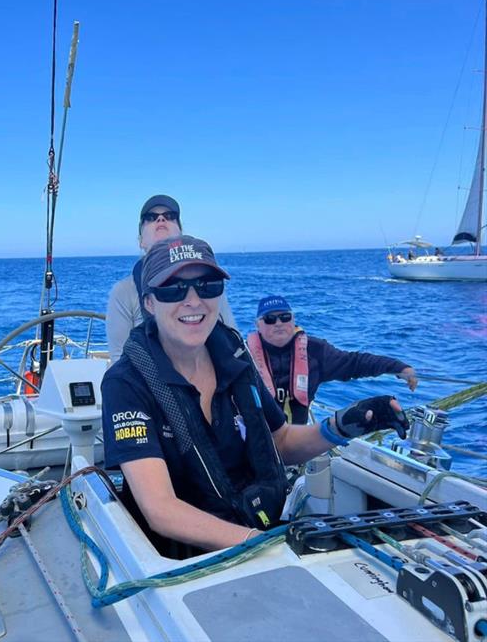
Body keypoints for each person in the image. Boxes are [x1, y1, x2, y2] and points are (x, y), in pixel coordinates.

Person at [101, 235, 409, 557]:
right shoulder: (126, 384)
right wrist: (265, 546)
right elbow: (160, 509)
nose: (193, 300)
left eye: (207, 285)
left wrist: (340, 427)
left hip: (264, 532)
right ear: (149, 302)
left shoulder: (233, 358)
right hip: (183, 562)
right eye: (172, 288)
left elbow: (279, 442)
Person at [247, 295, 417, 425]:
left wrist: (399, 368)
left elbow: (355, 363)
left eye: (284, 317)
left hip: (297, 438)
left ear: (293, 320)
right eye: (270, 319)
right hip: (256, 434)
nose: (278, 323)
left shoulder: (315, 350)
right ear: (257, 325)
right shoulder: (242, 354)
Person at [106, 195, 236, 363]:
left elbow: (232, 340)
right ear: (140, 241)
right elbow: (119, 357)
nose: (161, 219)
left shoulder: (210, 286)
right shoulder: (123, 291)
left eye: (170, 216)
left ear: (181, 233)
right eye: (150, 218)